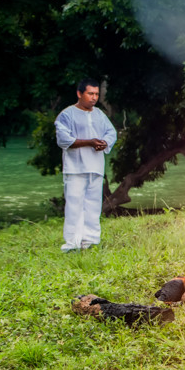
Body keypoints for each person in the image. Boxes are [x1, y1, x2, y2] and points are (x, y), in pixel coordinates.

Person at [54, 78, 118, 252]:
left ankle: (90, 240)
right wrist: (89, 142)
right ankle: (72, 243)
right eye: (90, 93)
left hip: (96, 166)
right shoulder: (67, 114)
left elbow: (111, 132)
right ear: (79, 93)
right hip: (75, 168)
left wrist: (104, 142)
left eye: (96, 94)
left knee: (93, 204)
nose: (94, 97)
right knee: (74, 205)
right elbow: (63, 139)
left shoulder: (99, 114)